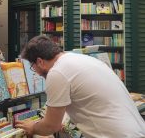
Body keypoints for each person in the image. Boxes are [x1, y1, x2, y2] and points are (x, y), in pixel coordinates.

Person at [15, 35, 145, 138]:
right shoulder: (83, 59)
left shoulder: (57, 72)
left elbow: (51, 126)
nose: (35, 72)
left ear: (40, 61)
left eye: (33, 67)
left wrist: (33, 127)